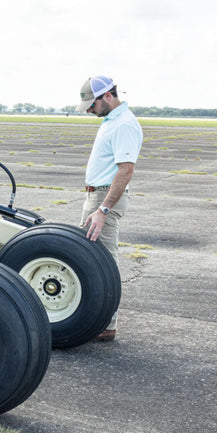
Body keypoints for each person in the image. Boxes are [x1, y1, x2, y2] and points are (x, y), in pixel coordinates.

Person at [76, 75, 143, 342]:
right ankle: (98, 320)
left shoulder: (124, 124)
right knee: (91, 259)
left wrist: (103, 210)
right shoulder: (111, 121)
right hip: (97, 195)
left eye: (92, 105)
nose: (89, 111)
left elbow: (126, 170)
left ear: (107, 96)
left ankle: (106, 325)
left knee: (103, 263)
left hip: (104, 198)